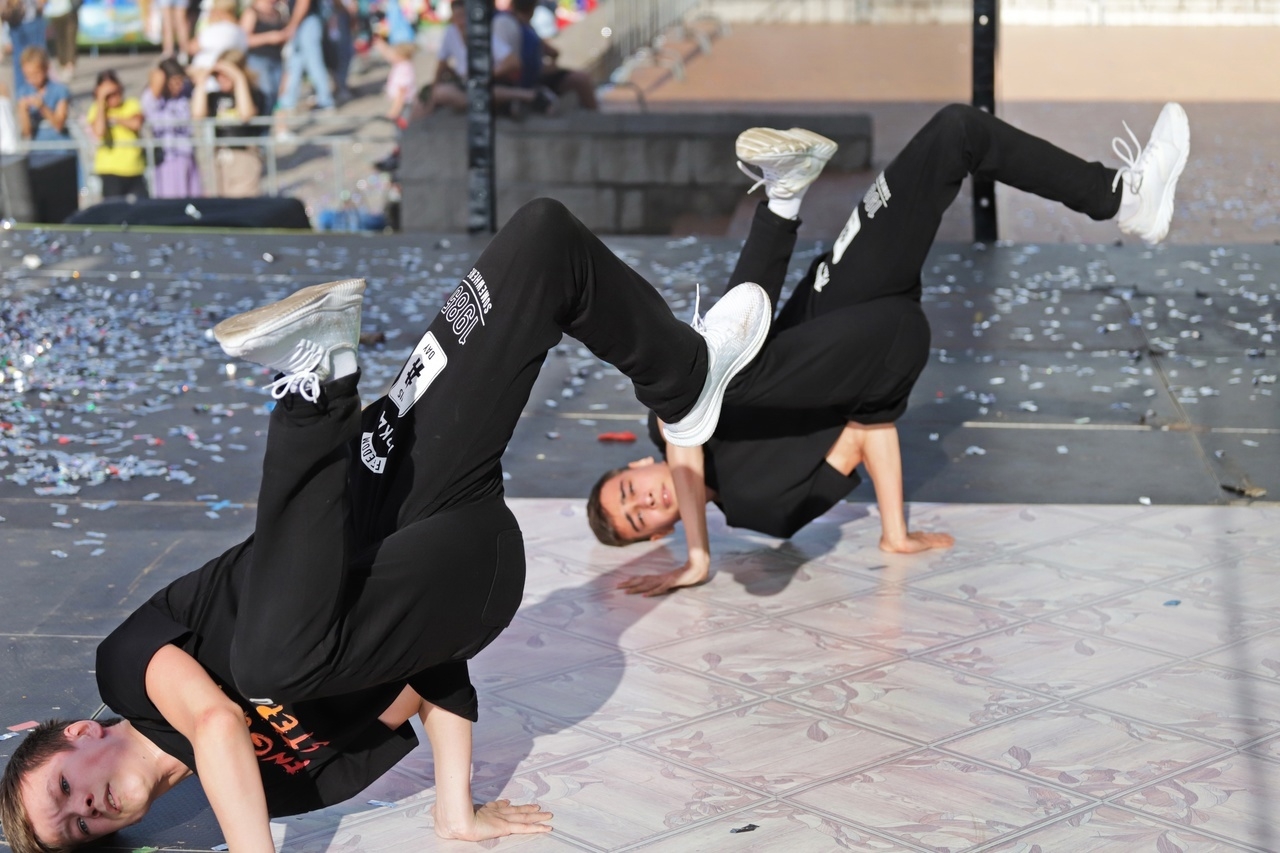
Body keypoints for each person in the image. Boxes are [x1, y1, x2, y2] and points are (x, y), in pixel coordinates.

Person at [0, 197, 772, 851]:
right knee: (272, 662)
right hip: (467, 569)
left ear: (79, 735)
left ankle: (688, 376)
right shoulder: (281, 791)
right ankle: (312, 389)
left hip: (377, 482)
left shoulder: (124, 668)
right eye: (73, 830)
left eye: (63, 789)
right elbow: (416, 671)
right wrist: (455, 805)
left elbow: (212, 720)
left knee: (542, 242)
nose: (84, 808)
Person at [588, 102, 1192, 596]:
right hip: (887, 346)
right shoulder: (765, 512)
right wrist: (895, 532)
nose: (648, 499)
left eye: (631, 492)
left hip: (838, 291)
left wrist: (697, 555)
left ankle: (1121, 197)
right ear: (659, 532)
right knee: (705, 380)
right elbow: (864, 430)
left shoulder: (666, 424)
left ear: (638, 466)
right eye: (644, 518)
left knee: (956, 130)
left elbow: (681, 440)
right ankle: (782, 202)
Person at [494, 0, 597, 112]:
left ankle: (595, 118)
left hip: (534, 77)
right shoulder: (505, 22)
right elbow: (513, 63)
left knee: (581, 79)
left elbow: (553, 52)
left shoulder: (528, 28)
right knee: (580, 80)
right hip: (517, 83)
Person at [191, 49, 269, 197]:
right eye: (218, 75)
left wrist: (239, 79)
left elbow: (246, 114)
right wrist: (202, 80)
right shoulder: (214, 96)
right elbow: (197, 115)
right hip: (219, 155)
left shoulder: (255, 94)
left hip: (244, 155)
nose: (221, 78)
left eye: (226, 74)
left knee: (242, 205)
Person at [140, 58, 202, 198]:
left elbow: (199, 75)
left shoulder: (183, 96)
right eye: (173, 82)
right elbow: (157, 76)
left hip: (187, 156)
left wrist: (183, 69)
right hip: (168, 159)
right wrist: (164, 68)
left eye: (180, 81)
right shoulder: (153, 98)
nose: (178, 86)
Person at [86, 70, 149, 200]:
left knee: (142, 210)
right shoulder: (96, 109)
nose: (114, 97)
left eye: (116, 92)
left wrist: (115, 119)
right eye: (109, 94)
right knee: (114, 213)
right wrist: (101, 101)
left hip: (135, 169)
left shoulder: (131, 104)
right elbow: (99, 131)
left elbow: (136, 123)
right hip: (110, 171)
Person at [275, 0, 336, 132]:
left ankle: (325, 101)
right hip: (303, 23)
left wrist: (293, 25)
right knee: (295, 63)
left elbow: (304, 3)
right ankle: (288, 101)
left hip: (307, 22)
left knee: (314, 63)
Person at [12, 45, 70, 167]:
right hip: (37, 152)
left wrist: (42, 107)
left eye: (36, 73)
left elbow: (59, 124)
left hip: (60, 152)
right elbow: (26, 132)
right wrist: (23, 111)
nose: (32, 79)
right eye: (28, 75)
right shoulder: (23, 92)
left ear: (46, 68)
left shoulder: (59, 90)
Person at [240, 0, 288, 115]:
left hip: (276, 60)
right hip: (257, 60)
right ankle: (261, 130)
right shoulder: (252, 12)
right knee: (264, 96)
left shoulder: (278, 12)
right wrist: (269, 37)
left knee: (274, 97)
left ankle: (268, 129)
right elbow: (243, 39)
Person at [189, 0, 250, 70]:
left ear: (218, 10)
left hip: (206, 71)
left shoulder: (215, 29)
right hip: (228, 73)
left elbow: (192, 48)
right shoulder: (240, 32)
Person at [2, 0, 46, 85]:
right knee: (21, 61)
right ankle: (23, 93)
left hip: (33, 19)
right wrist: (5, 38)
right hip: (16, 21)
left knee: (39, 58)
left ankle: (43, 91)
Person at [41, 0, 75, 82]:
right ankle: (63, 64)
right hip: (55, 11)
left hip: (68, 10)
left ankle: (68, 65)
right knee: (60, 40)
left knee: (69, 39)